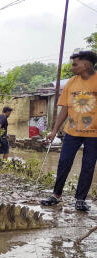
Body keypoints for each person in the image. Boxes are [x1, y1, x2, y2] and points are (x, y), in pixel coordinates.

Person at [41, 51, 97, 212]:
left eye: (75, 64)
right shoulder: (71, 83)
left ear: (85, 65)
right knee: (64, 162)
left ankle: (80, 200)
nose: (72, 68)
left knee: (88, 166)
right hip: (72, 132)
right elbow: (64, 109)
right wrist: (54, 131)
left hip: (94, 134)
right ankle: (56, 195)